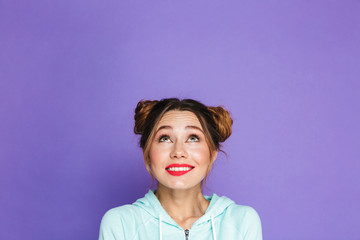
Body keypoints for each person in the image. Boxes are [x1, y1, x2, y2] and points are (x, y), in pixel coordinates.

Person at [98, 98, 262, 240]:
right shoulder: (120, 223)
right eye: (164, 138)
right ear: (147, 153)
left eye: (193, 138)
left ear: (212, 154)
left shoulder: (242, 221)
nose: (178, 152)